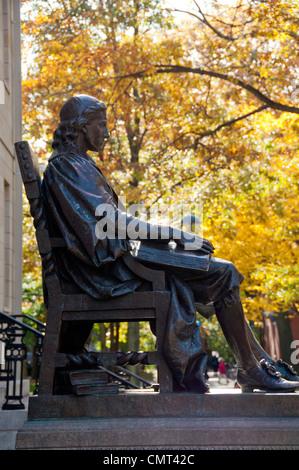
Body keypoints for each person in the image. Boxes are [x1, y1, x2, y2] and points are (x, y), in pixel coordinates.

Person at [41, 94, 299, 394]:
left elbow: (111, 220)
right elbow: (111, 220)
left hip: (115, 263)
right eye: (102, 124)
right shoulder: (68, 166)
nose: (108, 133)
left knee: (220, 273)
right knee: (224, 273)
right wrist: (175, 235)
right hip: (105, 272)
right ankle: (253, 370)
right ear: (82, 127)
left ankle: (258, 365)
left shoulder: (75, 164)